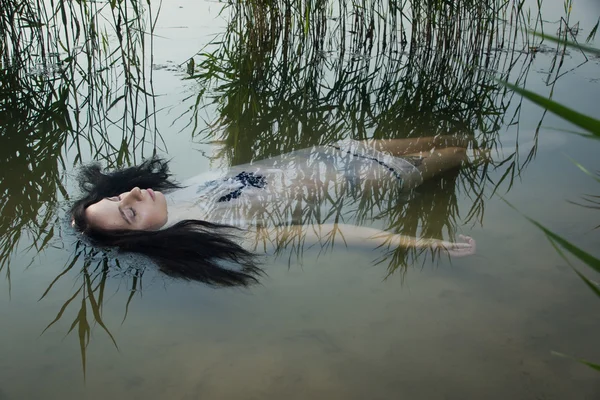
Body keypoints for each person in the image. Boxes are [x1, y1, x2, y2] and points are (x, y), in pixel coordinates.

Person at [71, 136, 477, 286]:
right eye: (128, 213)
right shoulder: (221, 234)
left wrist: (86, 216)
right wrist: (420, 242)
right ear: (142, 237)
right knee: (466, 154)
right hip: (369, 177)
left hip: (339, 151)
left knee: (456, 140)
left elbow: (223, 164)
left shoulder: (173, 193)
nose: (133, 195)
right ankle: (536, 148)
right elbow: (329, 232)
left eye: (116, 197)